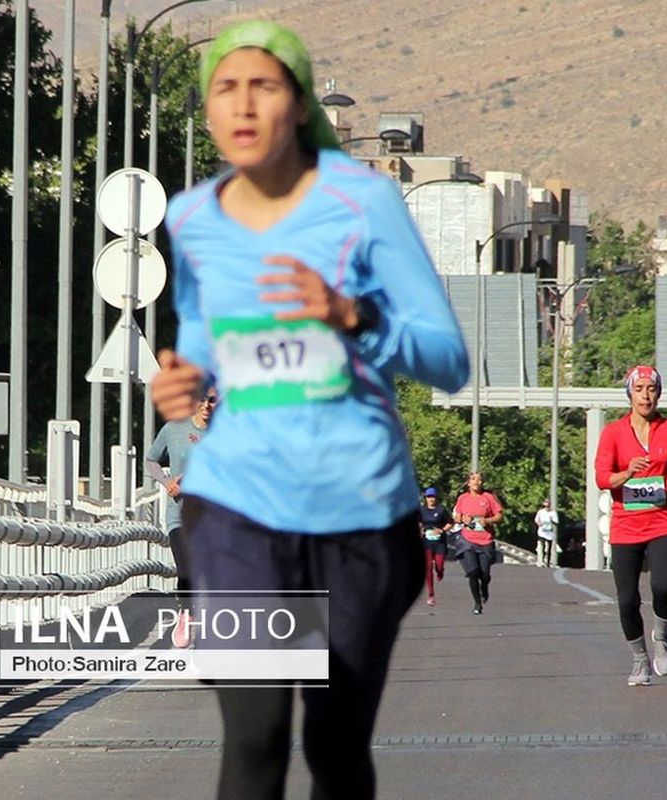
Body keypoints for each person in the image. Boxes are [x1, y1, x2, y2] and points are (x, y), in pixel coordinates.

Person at [150, 19, 469, 800]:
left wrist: (354, 316)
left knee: (334, 744)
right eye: (226, 88)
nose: (244, 104)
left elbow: (448, 358)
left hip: (358, 509)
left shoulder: (362, 203)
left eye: (264, 85)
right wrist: (181, 383)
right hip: (237, 512)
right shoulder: (191, 219)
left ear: (297, 104)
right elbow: (200, 342)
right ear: (209, 110)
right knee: (253, 740)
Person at [594, 365, 667, 687]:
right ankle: (639, 660)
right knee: (627, 599)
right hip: (626, 524)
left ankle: (662, 635)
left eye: (650, 389)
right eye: (639, 390)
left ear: (658, 393)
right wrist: (626, 473)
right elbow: (601, 478)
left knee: (662, 587)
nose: (645, 396)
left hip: (663, 520)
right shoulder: (613, 433)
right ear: (630, 394)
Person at [144, 387, 218, 648]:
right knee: (186, 568)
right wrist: (166, 482)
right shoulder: (174, 429)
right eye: (204, 399)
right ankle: (187, 614)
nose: (208, 405)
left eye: (214, 400)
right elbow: (151, 460)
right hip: (180, 514)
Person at [452, 471, 504, 614]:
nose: (476, 482)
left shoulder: (488, 498)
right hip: (468, 540)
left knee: (484, 574)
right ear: (468, 483)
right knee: (473, 572)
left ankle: (485, 587)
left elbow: (499, 516)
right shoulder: (463, 498)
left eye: (479, 480)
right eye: (473, 480)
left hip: (485, 540)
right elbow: (456, 517)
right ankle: (477, 603)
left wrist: (487, 520)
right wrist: (463, 518)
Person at [419, 487, 453, 606]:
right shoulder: (422, 510)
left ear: (436, 498)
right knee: (428, 568)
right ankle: (431, 594)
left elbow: (450, 522)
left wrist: (442, 530)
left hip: (439, 542)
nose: (431, 499)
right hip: (426, 543)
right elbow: (418, 522)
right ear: (426, 499)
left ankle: (440, 571)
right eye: (428, 497)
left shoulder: (441, 509)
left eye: (433, 497)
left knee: (439, 565)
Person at [534, 498, 559, 568]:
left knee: (548, 548)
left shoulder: (553, 513)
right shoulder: (540, 512)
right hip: (541, 532)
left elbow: (556, 522)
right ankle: (540, 561)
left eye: (548, 505)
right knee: (540, 546)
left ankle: (547, 561)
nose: (547, 507)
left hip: (549, 533)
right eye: (545, 505)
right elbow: (536, 520)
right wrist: (539, 524)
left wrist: (552, 520)